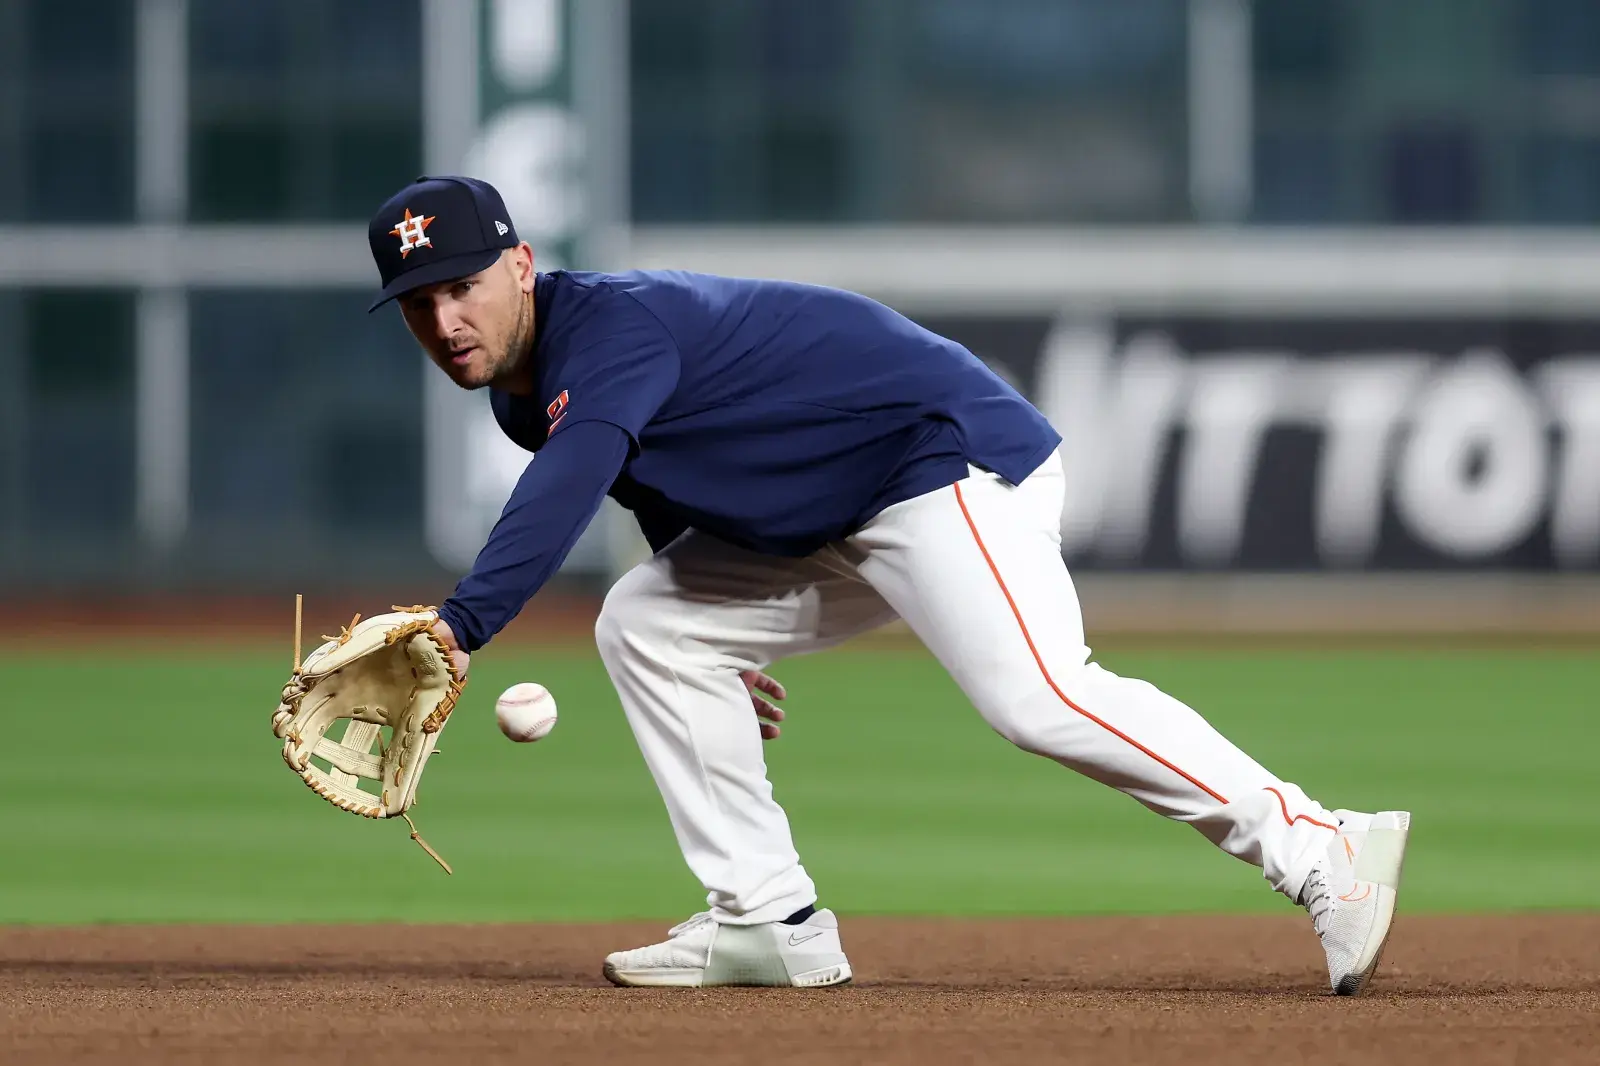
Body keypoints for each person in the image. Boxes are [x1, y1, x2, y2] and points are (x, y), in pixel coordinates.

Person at [366, 175, 1410, 995]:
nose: (445, 319)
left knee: (1035, 696)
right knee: (650, 622)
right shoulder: (518, 388)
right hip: (834, 505)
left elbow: (575, 473)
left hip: (937, 463)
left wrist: (460, 629)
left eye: (462, 285)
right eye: (420, 303)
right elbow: (666, 484)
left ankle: (1321, 845)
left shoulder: (607, 329)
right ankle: (764, 920)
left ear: (522, 265)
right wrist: (721, 635)